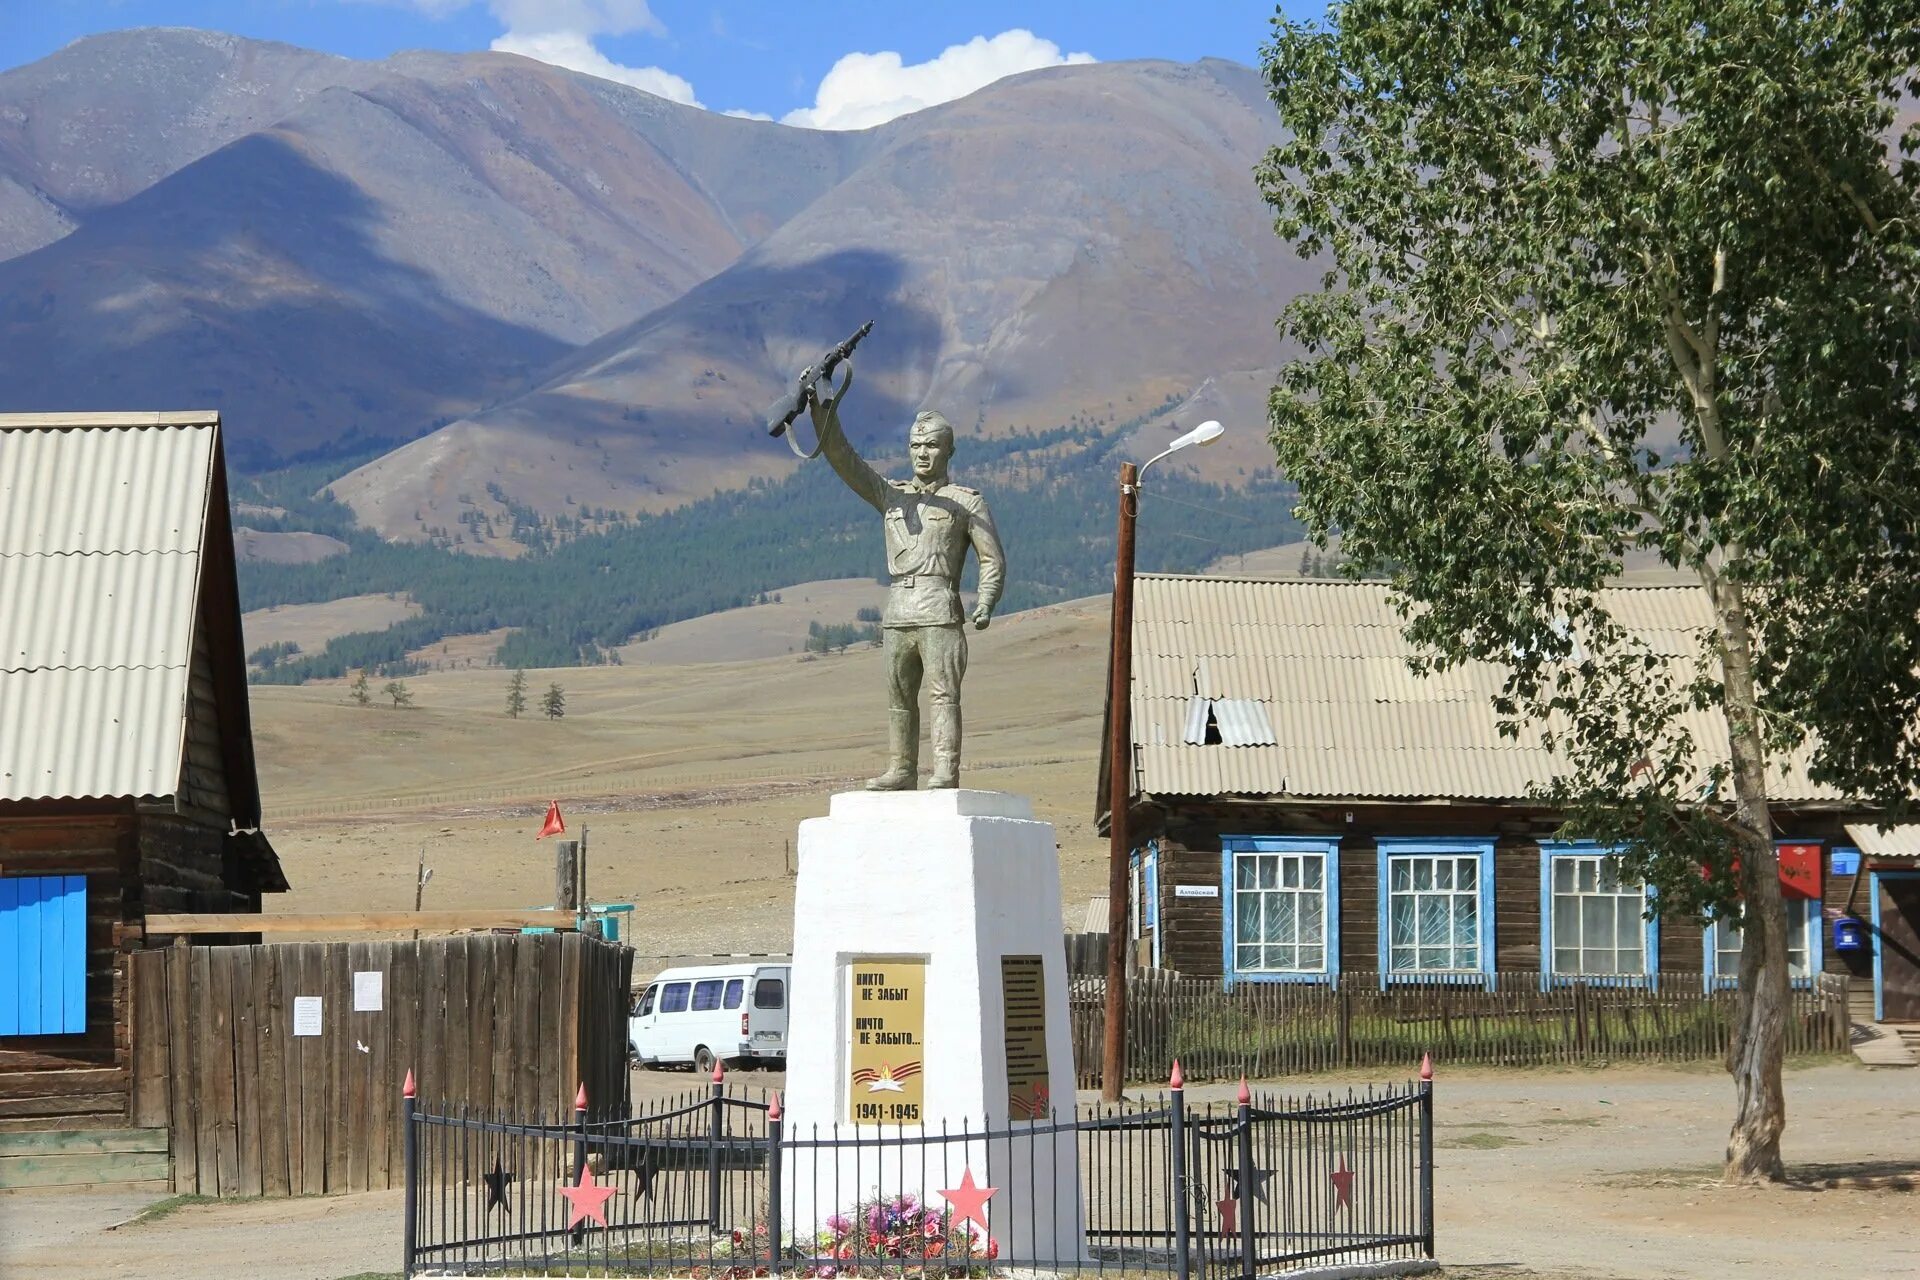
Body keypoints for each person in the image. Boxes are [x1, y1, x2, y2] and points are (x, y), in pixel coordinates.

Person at [807, 370, 1006, 789]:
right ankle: (901, 769)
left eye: (932, 445)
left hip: (940, 610)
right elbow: (842, 457)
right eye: (915, 445)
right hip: (898, 611)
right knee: (899, 700)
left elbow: (991, 558)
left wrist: (986, 601)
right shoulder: (890, 495)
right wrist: (818, 409)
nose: (922, 453)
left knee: (942, 696)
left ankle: (945, 769)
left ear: (949, 450)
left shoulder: (966, 502)